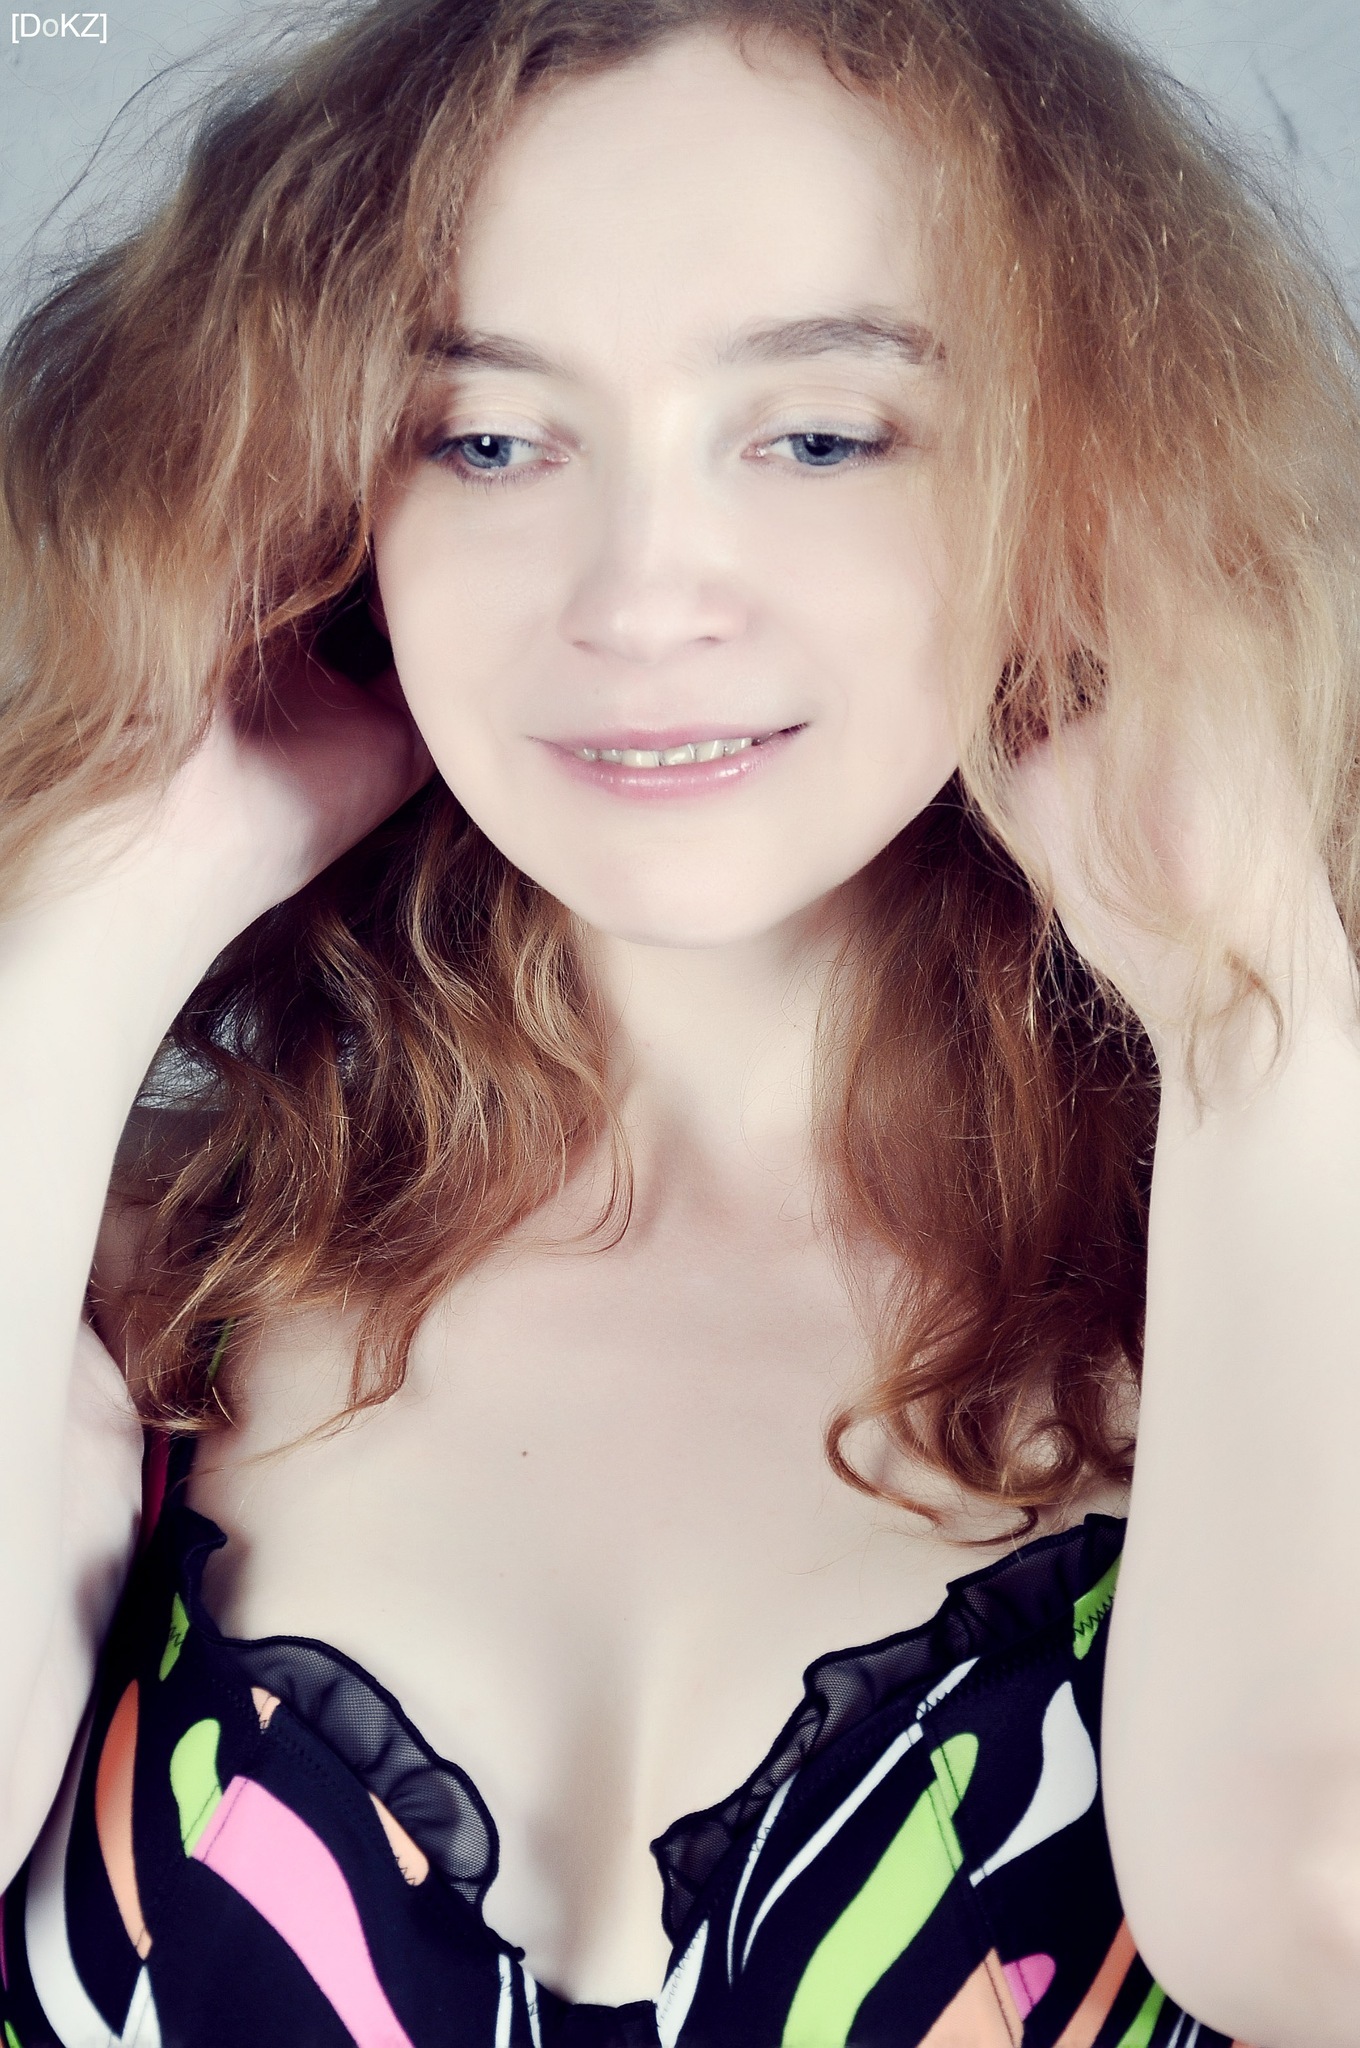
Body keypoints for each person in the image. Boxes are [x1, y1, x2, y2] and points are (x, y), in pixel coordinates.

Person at [2, 0, 1359, 2041]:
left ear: (1091, 478)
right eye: (485, 439)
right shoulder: (134, 1285)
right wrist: (92, 929)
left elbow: (1313, 1915)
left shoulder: (1292, 1256)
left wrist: (1254, 1012)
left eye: (817, 435)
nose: (638, 597)